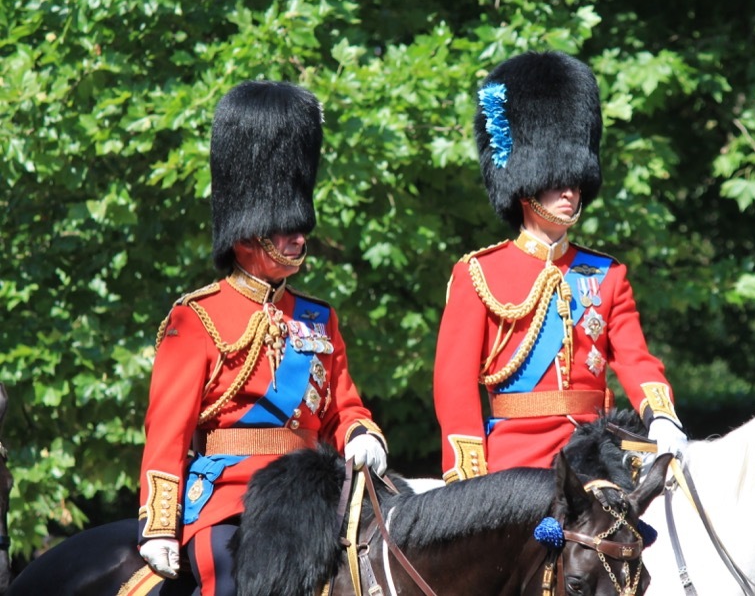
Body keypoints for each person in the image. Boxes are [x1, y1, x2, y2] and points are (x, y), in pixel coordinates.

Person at [136, 81, 387, 595]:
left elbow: (344, 410)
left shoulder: (319, 318)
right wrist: (160, 524)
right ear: (249, 230)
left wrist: (361, 434)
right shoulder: (197, 316)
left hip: (315, 503)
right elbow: (168, 430)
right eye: (284, 226)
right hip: (230, 502)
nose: (299, 236)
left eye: (301, 226)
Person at [432, 50, 686, 483]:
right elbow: (454, 385)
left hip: (597, 456)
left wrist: (662, 416)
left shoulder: (607, 275)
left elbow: (635, 360)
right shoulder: (478, 273)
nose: (570, 191)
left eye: (575, 181)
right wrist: (469, 475)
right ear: (525, 187)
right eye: (556, 181)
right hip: (514, 460)